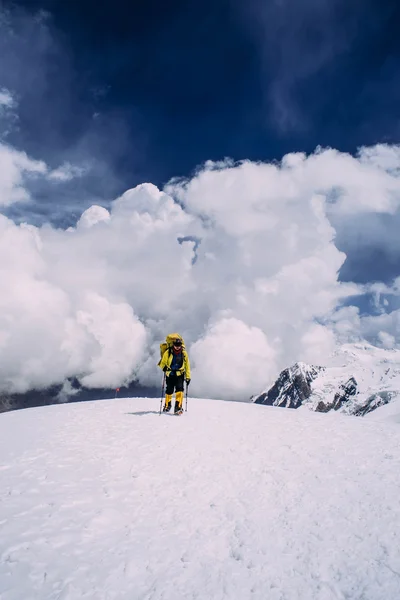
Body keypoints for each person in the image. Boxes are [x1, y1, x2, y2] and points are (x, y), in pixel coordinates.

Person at [159, 337, 191, 414]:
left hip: (180, 374)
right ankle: (167, 405)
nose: (177, 346)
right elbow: (162, 363)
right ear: (173, 345)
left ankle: (178, 407)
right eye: (176, 345)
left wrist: (188, 377)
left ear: (181, 345)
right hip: (170, 374)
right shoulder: (168, 352)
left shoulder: (183, 353)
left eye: (179, 345)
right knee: (169, 390)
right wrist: (164, 367)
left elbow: (187, 366)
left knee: (180, 389)